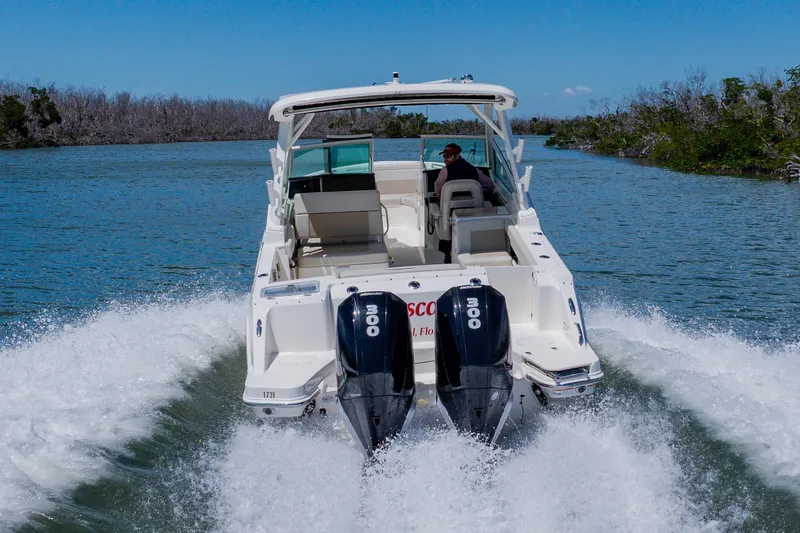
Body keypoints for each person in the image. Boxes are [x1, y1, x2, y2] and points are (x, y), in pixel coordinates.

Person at [433, 143, 494, 263]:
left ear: (457, 155)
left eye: (448, 156)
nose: (445, 159)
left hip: (450, 216)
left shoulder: (445, 171)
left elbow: (438, 189)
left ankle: (447, 255)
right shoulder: (473, 170)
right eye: (444, 156)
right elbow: (490, 185)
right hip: (473, 215)